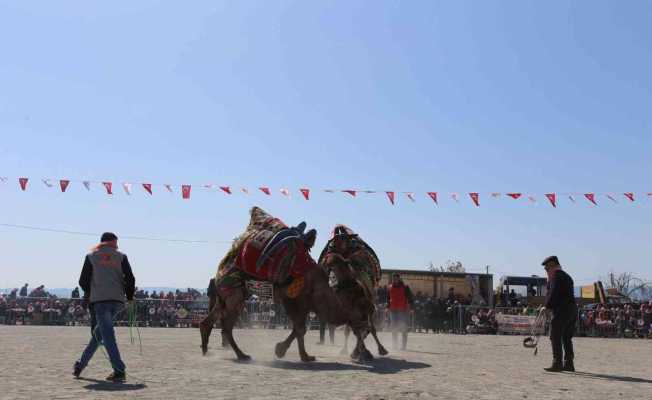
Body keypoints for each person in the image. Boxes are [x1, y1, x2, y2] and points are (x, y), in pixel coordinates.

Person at [73, 232, 136, 382]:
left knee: (107, 336)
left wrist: (92, 290)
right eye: (116, 243)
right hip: (117, 301)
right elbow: (130, 278)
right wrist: (130, 297)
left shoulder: (91, 256)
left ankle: (119, 370)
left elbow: (82, 281)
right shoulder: (121, 256)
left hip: (100, 301)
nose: (117, 246)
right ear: (111, 242)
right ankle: (80, 365)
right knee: (98, 335)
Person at [541, 255, 577, 372]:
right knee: (566, 337)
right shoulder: (566, 276)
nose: (546, 271)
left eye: (547, 268)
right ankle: (569, 363)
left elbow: (553, 292)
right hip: (571, 310)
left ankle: (557, 363)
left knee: (555, 335)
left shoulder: (556, 276)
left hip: (562, 310)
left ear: (552, 266)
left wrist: (547, 306)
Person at [387, 273, 414, 350]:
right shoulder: (390, 287)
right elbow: (388, 298)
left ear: (399, 279)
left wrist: (412, 308)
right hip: (393, 310)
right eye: (393, 278)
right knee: (394, 328)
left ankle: (403, 346)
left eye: (396, 278)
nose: (395, 280)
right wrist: (387, 307)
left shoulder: (405, 287)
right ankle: (395, 345)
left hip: (403, 310)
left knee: (403, 328)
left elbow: (410, 298)